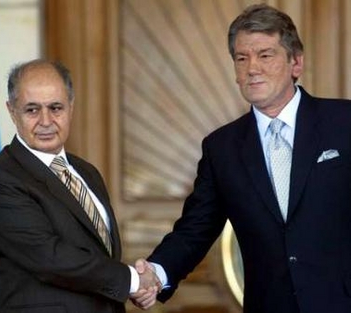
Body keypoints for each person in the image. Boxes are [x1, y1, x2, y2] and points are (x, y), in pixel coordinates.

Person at [132, 3, 351, 313]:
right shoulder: (221, 148)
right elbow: (195, 230)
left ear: (296, 63)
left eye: (265, 55)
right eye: (241, 58)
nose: (252, 68)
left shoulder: (344, 123)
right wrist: (156, 273)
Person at [0, 59, 160, 313]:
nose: (46, 121)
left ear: (71, 107)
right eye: (32, 110)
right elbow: (50, 258)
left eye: (56, 107)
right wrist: (133, 280)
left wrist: (132, 286)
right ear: (11, 111)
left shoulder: (86, 172)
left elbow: (95, 255)